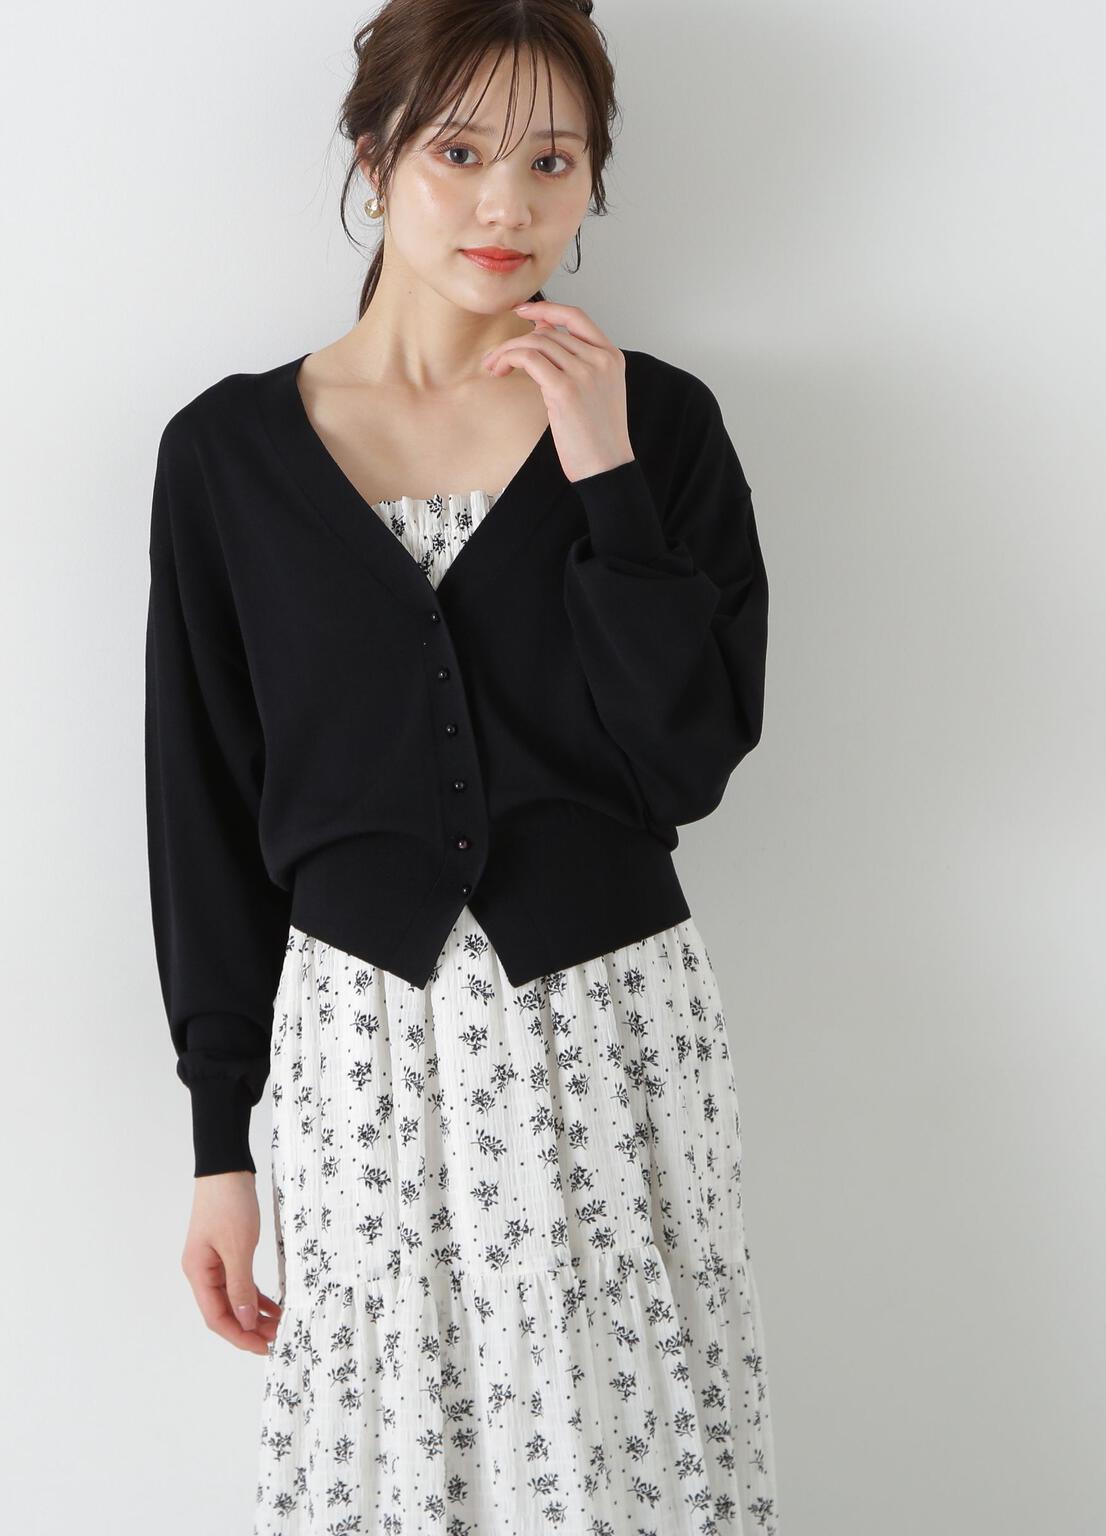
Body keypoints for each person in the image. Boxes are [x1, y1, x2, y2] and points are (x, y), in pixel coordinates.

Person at [144, 2, 779, 1530]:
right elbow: (201, 808)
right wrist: (220, 1142)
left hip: (611, 1027)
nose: (508, 203)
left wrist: (603, 471)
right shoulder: (228, 456)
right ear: (375, 163)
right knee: (393, 1467)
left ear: (594, 181)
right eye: (459, 152)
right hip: (359, 1041)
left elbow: (686, 762)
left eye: (553, 161)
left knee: (629, 1455)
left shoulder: (661, 426)